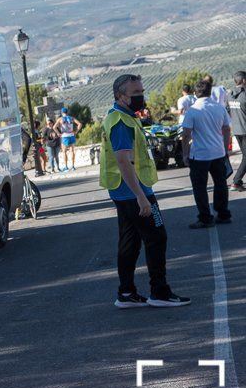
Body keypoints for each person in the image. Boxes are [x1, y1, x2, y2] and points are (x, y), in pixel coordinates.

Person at [100, 74, 190, 308]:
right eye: (136, 93)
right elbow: (123, 161)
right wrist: (141, 196)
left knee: (130, 240)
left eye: (142, 91)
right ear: (120, 96)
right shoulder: (121, 122)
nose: (141, 96)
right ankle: (159, 292)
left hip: (124, 190)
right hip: (133, 191)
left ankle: (127, 293)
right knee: (157, 237)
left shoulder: (122, 117)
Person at [181, 79, 232, 228]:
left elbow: (186, 134)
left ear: (196, 93)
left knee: (200, 187)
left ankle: (205, 217)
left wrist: (185, 154)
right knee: (221, 184)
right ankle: (223, 214)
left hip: (200, 155)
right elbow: (227, 129)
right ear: (210, 92)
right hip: (218, 152)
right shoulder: (219, 108)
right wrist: (224, 149)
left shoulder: (193, 110)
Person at [228, 71, 246, 192]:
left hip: (236, 130)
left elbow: (227, 110)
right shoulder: (245, 95)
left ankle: (237, 181)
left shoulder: (230, 95)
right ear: (244, 80)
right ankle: (236, 181)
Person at [53, 107, 82, 171]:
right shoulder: (72, 118)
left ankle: (66, 167)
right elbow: (80, 124)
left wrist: (58, 133)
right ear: (67, 112)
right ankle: (73, 166)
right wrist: (76, 131)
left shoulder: (60, 119)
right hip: (71, 135)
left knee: (64, 151)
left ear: (62, 112)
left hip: (64, 136)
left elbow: (54, 127)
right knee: (72, 151)